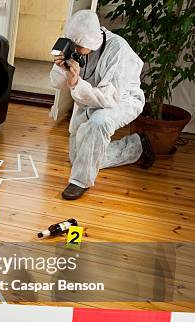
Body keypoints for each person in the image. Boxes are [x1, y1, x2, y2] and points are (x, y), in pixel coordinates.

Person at [50, 10, 155, 200]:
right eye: (73, 43)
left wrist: (76, 83)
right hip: (89, 98)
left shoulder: (117, 49)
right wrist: (64, 71)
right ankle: (137, 146)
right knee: (78, 159)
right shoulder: (73, 46)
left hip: (122, 98)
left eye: (79, 45)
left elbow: (110, 98)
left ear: (91, 41)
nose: (75, 48)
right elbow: (55, 83)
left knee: (99, 123)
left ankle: (80, 182)